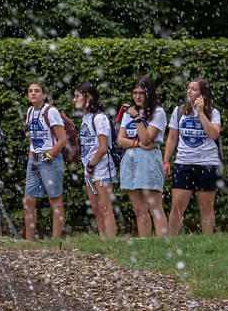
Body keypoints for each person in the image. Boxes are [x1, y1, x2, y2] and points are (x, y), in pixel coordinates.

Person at [165, 79, 221, 235]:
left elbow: (213, 134)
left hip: (207, 163)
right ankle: (172, 241)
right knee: (177, 205)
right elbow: (171, 138)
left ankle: (207, 241)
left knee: (206, 206)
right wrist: (166, 160)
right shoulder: (178, 111)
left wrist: (201, 112)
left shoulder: (213, 112)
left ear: (202, 94)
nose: (189, 91)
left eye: (194, 89)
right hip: (183, 163)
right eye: (188, 88)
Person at [117, 76, 168, 237]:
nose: (137, 96)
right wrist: (137, 144)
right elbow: (120, 140)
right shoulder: (129, 112)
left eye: (141, 93)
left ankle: (162, 244)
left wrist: (138, 118)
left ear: (150, 94)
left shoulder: (157, 112)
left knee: (154, 207)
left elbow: (147, 138)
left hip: (149, 159)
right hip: (130, 158)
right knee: (139, 209)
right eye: (134, 93)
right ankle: (144, 243)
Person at [22, 80, 67, 240]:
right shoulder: (29, 111)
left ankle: (55, 241)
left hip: (51, 159)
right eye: (30, 91)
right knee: (28, 200)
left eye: (37, 91)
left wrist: (48, 156)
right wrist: (30, 157)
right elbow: (33, 138)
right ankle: (29, 241)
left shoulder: (51, 111)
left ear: (44, 94)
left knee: (54, 201)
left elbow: (62, 140)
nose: (33, 93)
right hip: (34, 159)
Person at [74, 83, 117, 237]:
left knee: (106, 209)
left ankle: (111, 245)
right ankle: (102, 240)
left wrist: (91, 164)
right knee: (96, 209)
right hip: (90, 170)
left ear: (88, 97)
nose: (74, 99)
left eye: (77, 95)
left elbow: (104, 147)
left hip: (103, 169)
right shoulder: (86, 117)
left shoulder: (100, 118)